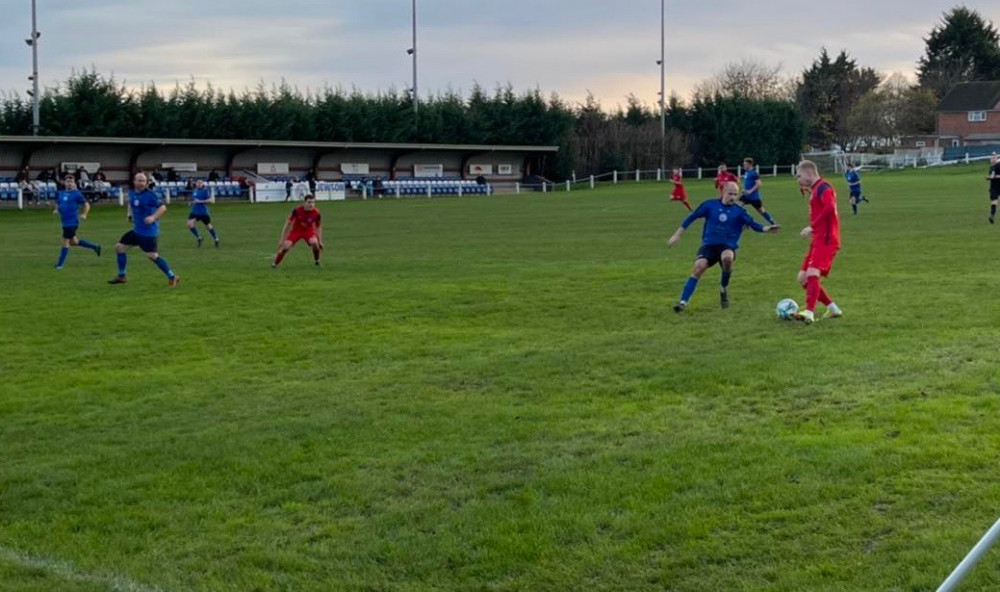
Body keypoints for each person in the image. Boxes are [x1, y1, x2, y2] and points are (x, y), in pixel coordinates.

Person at [667, 181, 780, 311]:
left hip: (727, 246)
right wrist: (677, 235)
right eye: (730, 193)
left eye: (735, 194)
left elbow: (754, 225)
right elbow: (691, 217)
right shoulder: (710, 205)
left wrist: (768, 228)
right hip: (709, 245)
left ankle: (723, 288)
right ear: (723, 192)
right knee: (699, 268)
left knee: (727, 257)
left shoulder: (740, 211)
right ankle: (682, 302)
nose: (732, 197)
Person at [108, 172, 180, 287]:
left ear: (146, 183)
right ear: (134, 181)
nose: (140, 183)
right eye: (138, 180)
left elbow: (163, 207)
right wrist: (129, 214)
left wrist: (153, 217)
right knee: (119, 247)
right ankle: (122, 276)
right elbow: (131, 204)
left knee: (152, 256)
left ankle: (172, 276)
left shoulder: (151, 195)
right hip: (137, 230)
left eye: (143, 181)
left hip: (148, 232)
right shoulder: (132, 193)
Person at [793, 160, 842, 324]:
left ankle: (809, 312)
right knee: (802, 278)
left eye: (799, 175)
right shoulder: (815, 189)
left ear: (809, 173)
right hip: (818, 239)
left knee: (812, 274)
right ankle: (833, 308)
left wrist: (812, 227)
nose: (797, 179)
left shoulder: (824, 187)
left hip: (827, 239)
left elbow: (830, 207)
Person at [53, 174, 101, 269]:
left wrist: (84, 214)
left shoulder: (77, 194)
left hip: (72, 222)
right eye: (67, 182)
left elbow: (87, 205)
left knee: (65, 241)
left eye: (71, 182)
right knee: (74, 242)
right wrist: (56, 209)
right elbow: (58, 203)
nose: (69, 184)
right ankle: (95, 246)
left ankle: (60, 264)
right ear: (64, 183)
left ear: (74, 183)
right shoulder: (61, 193)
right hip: (64, 222)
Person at [272, 194, 324, 268]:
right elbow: (288, 224)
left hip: (308, 231)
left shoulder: (316, 213)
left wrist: (320, 241)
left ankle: (317, 261)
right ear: (304, 203)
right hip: (296, 231)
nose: (311, 205)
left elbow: (318, 227)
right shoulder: (297, 210)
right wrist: (282, 240)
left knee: (315, 243)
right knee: (286, 247)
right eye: (309, 202)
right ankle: (275, 264)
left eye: (313, 202)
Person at [741, 157, 776, 224]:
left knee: (761, 211)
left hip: (754, 197)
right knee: (737, 206)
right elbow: (748, 183)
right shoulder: (746, 173)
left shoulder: (754, 173)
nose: (744, 166)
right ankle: (745, 221)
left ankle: (773, 223)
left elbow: (759, 184)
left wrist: (750, 191)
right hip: (746, 196)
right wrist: (744, 190)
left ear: (750, 164)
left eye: (745, 164)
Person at [187, 179, 220, 247]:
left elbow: (210, 200)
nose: (199, 184)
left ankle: (216, 238)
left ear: (202, 184)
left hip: (203, 212)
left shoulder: (205, 191)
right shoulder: (195, 190)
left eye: (200, 183)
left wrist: (199, 201)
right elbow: (195, 200)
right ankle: (199, 237)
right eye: (198, 183)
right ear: (196, 184)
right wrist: (192, 202)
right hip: (194, 211)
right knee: (190, 224)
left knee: (208, 226)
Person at [988, 154, 1000, 224]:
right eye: (991, 158)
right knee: (994, 202)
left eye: (993, 158)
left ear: (996, 159)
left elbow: (995, 176)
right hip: (993, 187)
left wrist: (995, 176)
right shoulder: (991, 167)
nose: (991, 159)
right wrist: (989, 177)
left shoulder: (999, 166)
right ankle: (992, 216)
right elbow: (991, 176)